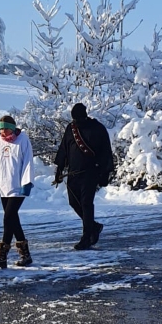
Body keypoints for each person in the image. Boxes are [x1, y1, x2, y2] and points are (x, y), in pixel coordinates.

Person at [54, 103, 115, 250]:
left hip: (90, 173)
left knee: (87, 204)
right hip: (73, 173)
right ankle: (93, 226)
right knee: (74, 202)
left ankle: (86, 237)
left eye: (79, 118)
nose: (76, 122)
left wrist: (105, 173)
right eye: (74, 119)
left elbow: (106, 151)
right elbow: (64, 148)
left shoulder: (97, 128)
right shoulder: (71, 128)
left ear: (85, 115)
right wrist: (59, 169)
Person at [0, 114, 34, 268]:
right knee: (13, 220)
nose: (2, 132)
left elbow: (28, 161)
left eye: (4, 129)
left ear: (11, 129)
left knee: (8, 217)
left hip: (18, 187)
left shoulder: (22, 140)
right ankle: (26, 255)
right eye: (0, 130)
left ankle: (1, 255)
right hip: (3, 186)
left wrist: (27, 182)